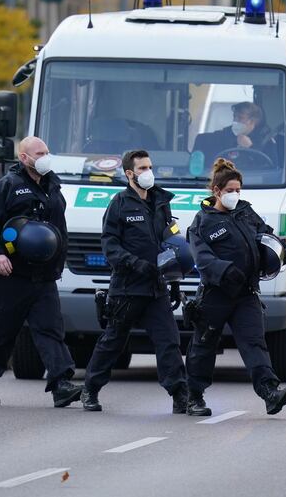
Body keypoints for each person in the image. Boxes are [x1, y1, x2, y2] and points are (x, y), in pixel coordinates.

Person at [0, 136, 82, 407]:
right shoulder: (8, 187)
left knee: (50, 330)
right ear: (24, 158)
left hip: (43, 276)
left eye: (47, 151)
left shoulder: (52, 185)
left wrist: (58, 263)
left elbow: (59, 230)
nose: (46, 156)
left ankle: (61, 384)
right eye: (39, 153)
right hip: (12, 274)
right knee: (0, 331)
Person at [184, 158, 286, 416]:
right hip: (216, 294)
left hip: (246, 293)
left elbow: (267, 238)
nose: (235, 195)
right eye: (230, 190)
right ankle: (194, 397)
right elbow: (202, 259)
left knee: (255, 343)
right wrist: (225, 271)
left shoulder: (246, 213)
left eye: (238, 190)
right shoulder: (202, 222)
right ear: (216, 191)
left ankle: (270, 392)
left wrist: (281, 250)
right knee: (204, 345)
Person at [80, 150, 188, 413]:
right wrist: (135, 264)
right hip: (127, 287)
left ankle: (179, 395)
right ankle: (90, 389)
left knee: (169, 341)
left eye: (150, 166)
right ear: (129, 174)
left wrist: (173, 279)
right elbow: (110, 245)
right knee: (113, 341)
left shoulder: (161, 202)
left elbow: (169, 241)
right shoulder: (119, 204)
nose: (148, 172)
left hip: (156, 287)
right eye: (142, 168)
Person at [194, 102, 270, 162]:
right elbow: (203, 139)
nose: (235, 121)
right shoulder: (227, 134)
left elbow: (267, 166)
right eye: (234, 117)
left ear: (252, 121)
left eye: (240, 118)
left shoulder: (265, 140)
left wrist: (250, 147)